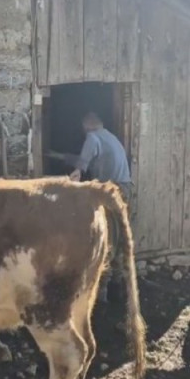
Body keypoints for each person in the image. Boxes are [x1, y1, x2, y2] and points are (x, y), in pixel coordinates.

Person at [70, 112, 132, 301]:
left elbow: (83, 163)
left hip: (110, 191)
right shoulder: (110, 137)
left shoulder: (92, 136)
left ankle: (102, 293)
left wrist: (76, 172)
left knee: (107, 237)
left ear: (86, 126)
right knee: (120, 236)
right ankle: (118, 286)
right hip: (125, 189)